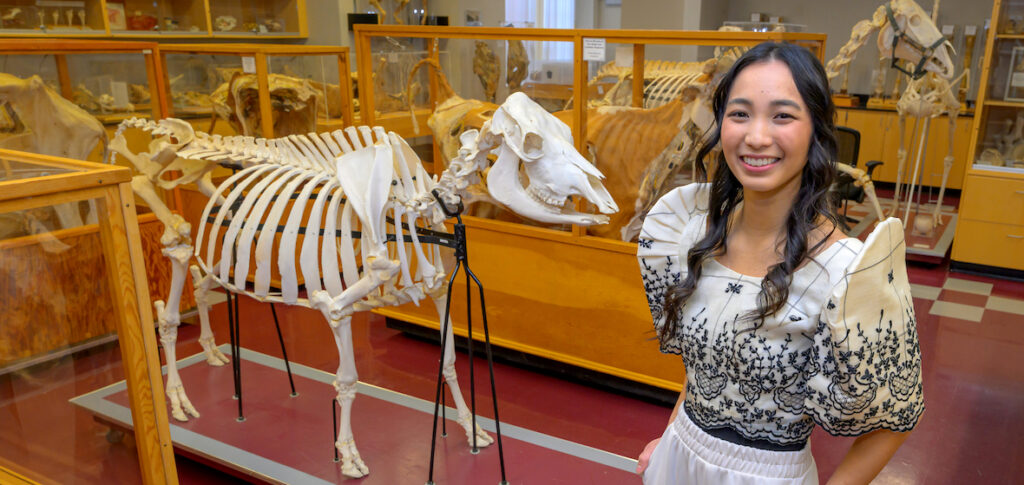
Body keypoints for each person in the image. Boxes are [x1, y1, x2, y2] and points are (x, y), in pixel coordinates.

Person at [635, 42, 923, 484]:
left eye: (782, 116)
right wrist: (673, 436)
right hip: (678, 460)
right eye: (740, 113)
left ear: (816, 130)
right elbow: (703, 367)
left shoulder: (846, 270)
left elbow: (894, 421)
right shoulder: (694, 233)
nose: (756, 137)